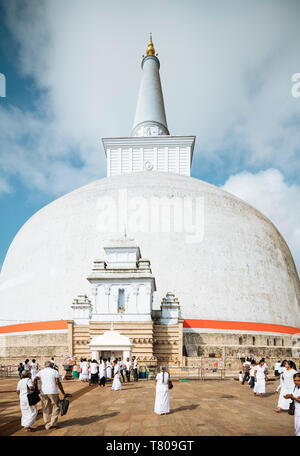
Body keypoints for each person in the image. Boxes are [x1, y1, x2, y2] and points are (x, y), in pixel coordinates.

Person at [34, 360, 67, 430]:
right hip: (52, 391)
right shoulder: (54, 371)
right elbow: (57, 382)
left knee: (45, 408)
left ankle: (47, 424)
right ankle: (52, 423)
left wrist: (36, 389)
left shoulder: (41, 372)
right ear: (51, 365)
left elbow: (35, 379)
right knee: (56, 406)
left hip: (43, 392)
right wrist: (63, 392)